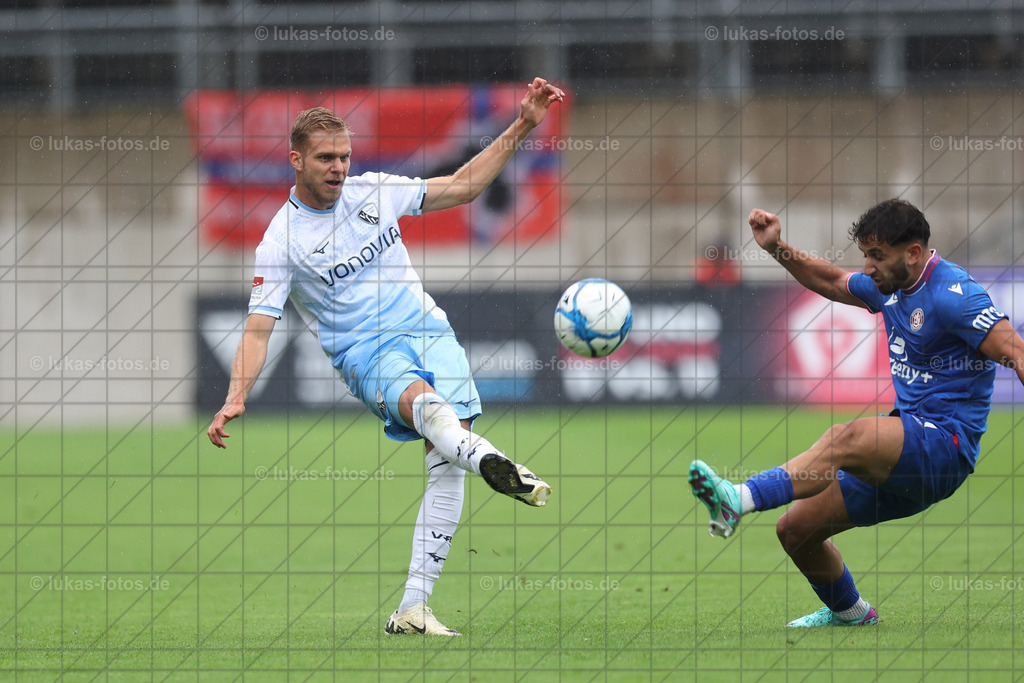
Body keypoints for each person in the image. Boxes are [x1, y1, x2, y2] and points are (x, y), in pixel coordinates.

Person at [206, 77, 565, 636]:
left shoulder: (373, 191)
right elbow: (257, 331)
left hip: (427, 327)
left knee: (445, 460)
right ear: (296, 159)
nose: (339, 167)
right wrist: (234, 398)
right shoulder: (280, 242)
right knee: (430, 412)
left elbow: (465, 186)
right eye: (326, 157)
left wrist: (522, 125)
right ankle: (493, 460)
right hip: (364, 352)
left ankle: (413, 610)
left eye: (345, 155)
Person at [689, 199, 1024, 627]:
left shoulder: (954, 296)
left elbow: (1015, 352)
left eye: (877, 256)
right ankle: (851, 613)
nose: (868, 267)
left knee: (844, 438)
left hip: (945, 446)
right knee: (796, 531)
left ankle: (738, 498)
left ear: (913, 253)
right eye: (866, 255)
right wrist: (776, 248)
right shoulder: (891, 287)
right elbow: (828, 278)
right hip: (908, 450)